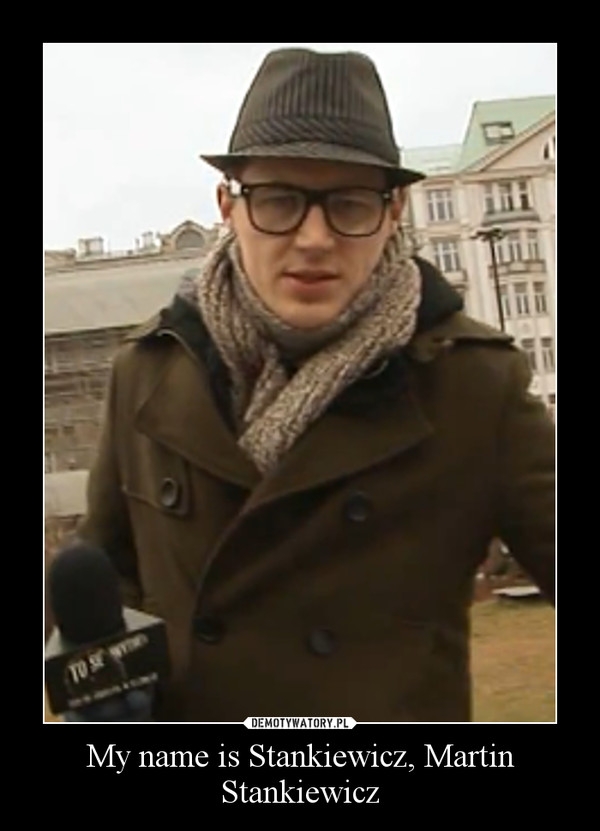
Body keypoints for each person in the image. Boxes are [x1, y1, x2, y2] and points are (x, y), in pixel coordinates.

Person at [69, 47, 555, 722]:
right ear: (228, 206)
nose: (315, 238)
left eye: (350, 204)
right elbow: (105, 568)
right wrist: (97, 675)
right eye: (280, 200)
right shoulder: (149, 370)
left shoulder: (473, 383)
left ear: (394, 210)